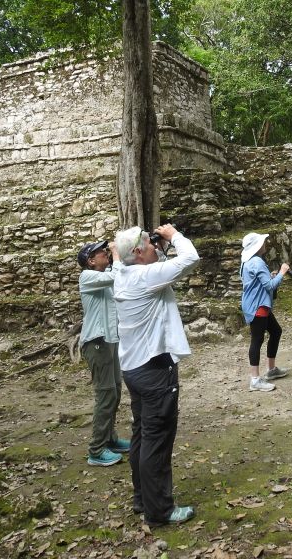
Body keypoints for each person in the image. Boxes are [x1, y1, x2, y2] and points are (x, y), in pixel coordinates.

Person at [113, 223, 200, 526]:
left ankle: (143, 498)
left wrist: (155, 245)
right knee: (157, 440)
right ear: (137, 252)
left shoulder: (121, 274)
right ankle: (160, 511)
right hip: (154, 371)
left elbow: (119, 256)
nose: (155, 245)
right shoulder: (146, 277)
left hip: (133, 368)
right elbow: (190, 258)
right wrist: (175, 235)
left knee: (141, 434)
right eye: (149, 244)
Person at [78, 239, 130, 467]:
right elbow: (116, 275)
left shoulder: (106, 275)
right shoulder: (87, 277)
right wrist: (117, 255)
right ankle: (96, 450)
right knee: (105, 394)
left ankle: (110, 439)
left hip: (110, 341)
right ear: (90, 261)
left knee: (115, 391)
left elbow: (123, 275)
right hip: (96, 343)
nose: (106, 254)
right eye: (101, 253)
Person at [240, 233, 291, 392]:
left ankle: (271, 369)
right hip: (258, 306)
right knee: (257, 340)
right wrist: (282, 272)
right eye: (262, 242)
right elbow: (269, 287)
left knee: (276, 331)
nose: (265, 243)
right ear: (257, 246)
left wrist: (270, 276)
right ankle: (255, 380)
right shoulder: (257, 262)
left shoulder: (247, 261)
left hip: (257, 304)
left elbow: (259, 282)